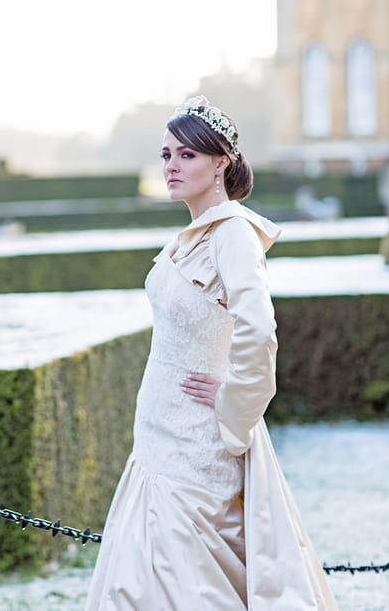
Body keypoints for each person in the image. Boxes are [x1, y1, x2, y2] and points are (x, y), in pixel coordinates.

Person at [84, 96, 338, 610]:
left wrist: (236, 398)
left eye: (187, 156)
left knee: (189, 574)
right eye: (166, 155)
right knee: (143, 574)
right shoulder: (186, 239)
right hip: (157, 427)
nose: (171, 166)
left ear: (221, 162)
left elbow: (260, 328)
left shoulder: (234, 234)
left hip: (201, 440)